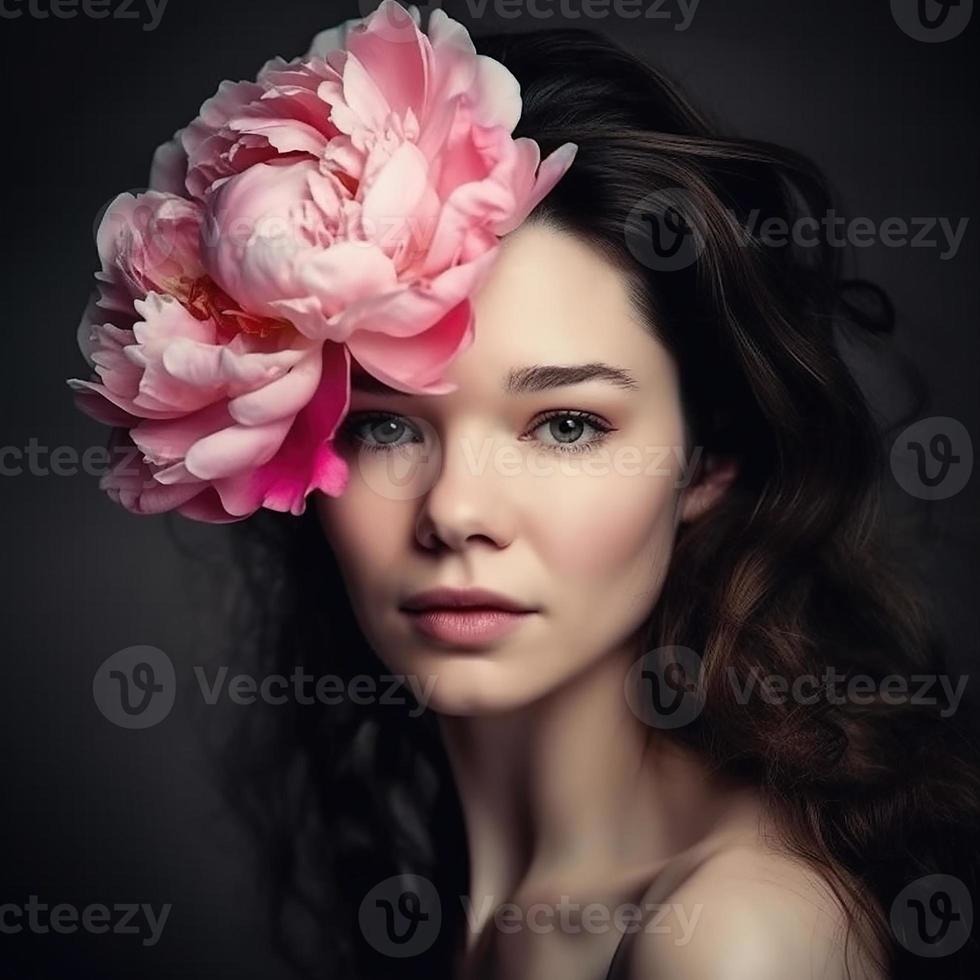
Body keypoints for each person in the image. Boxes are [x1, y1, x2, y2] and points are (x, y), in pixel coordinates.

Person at [132, 15, 979, 980]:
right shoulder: (480, 906)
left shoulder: (735, 940)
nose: (455, 512)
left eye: (567, 425)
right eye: (384, 426)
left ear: (708, 462)